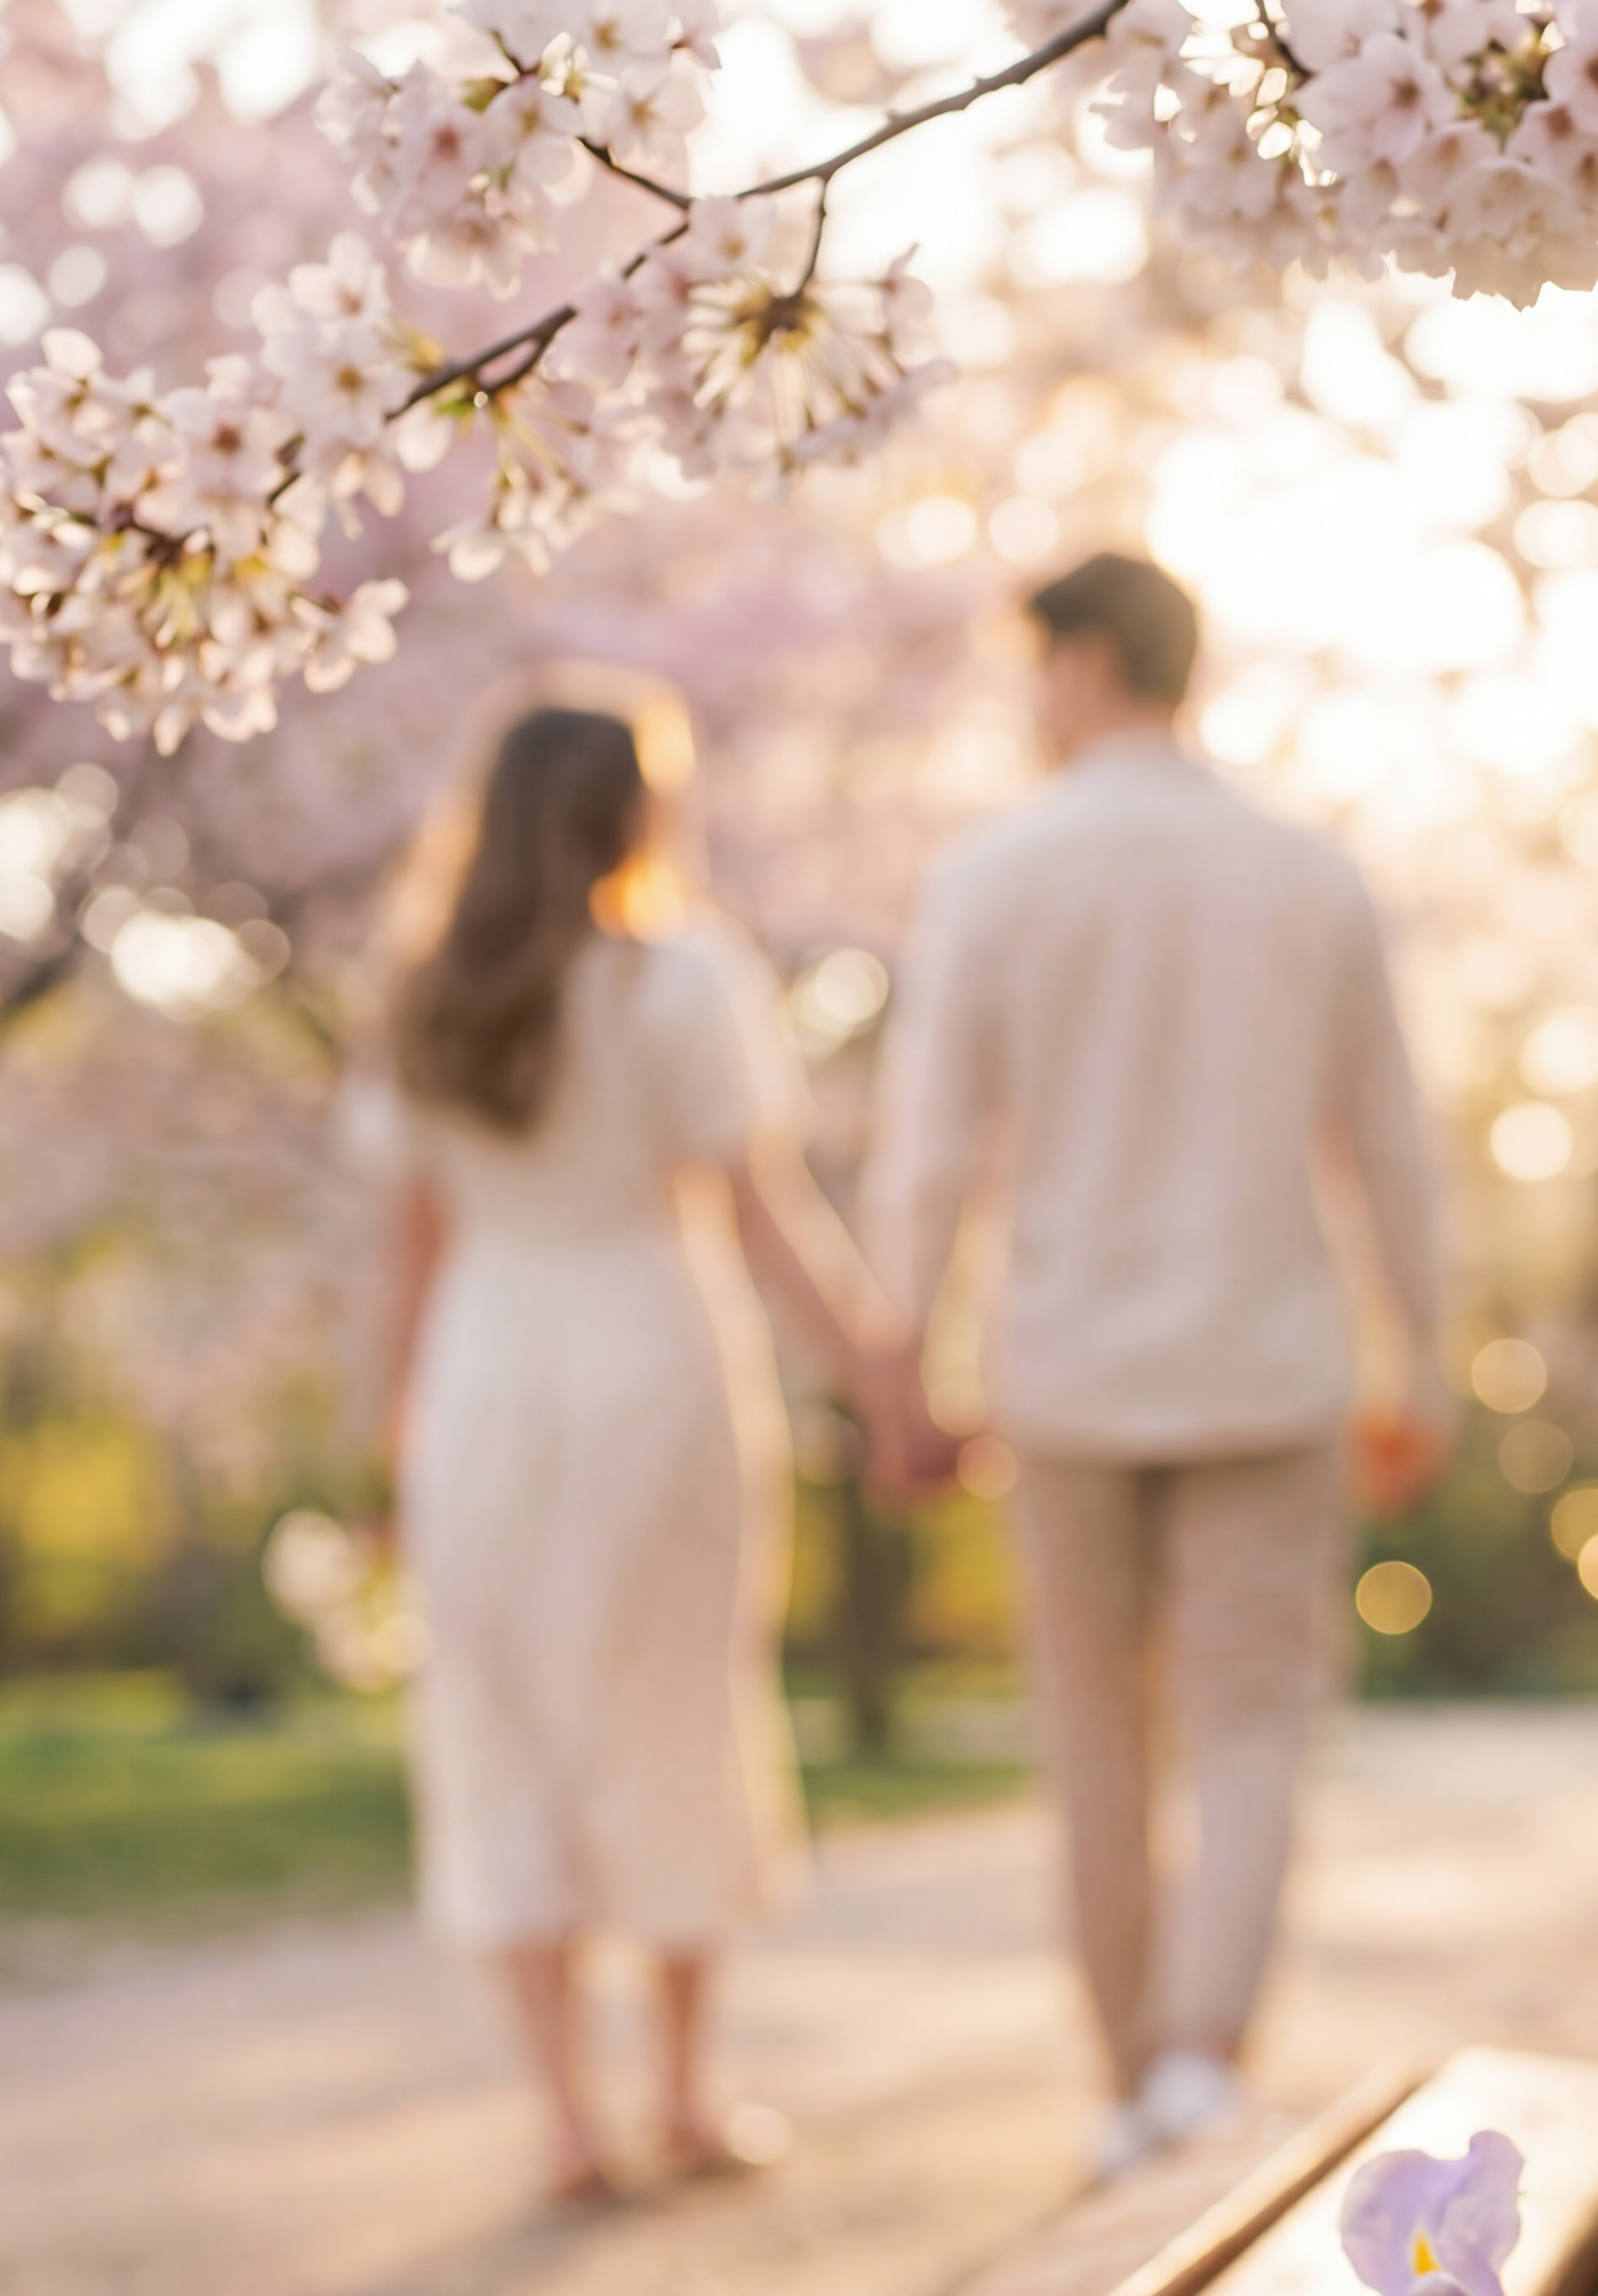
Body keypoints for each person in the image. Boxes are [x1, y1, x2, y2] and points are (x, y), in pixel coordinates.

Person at [864, 554, 1445, 2176]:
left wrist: (898, 1352)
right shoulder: (1306, 874)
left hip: (1063, 1367)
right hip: (1265, 1357)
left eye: (1033, 665)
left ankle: (1129, 2083)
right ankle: (1202, 2053)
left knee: (1093, 1731)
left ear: (1090, 660)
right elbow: (1387, 1140)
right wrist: (1428, 1355)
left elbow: (927, 1146)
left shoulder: (994, 873)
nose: (1022, 701)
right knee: (1252, 1722)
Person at [366, 681, 910, 2202]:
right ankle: (679, 2093)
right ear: (637, 815)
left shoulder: (426, 993)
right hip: (654, 1369)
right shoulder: (684, 979)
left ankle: (560, 2114)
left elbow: (406, 1251)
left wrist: (386, 1453)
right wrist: (882, 1373)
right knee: (675, 1710)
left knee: (502, 1729)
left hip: (484, 1382)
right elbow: (764, 1213)